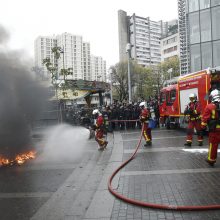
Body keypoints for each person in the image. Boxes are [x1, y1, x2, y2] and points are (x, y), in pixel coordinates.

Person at [201, 89, 220, 166]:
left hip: (214, 130)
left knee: (213, 145)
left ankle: (211, 160)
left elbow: (205, 119)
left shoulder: (209, 106)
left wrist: (202, 127)